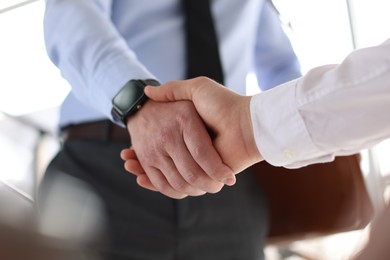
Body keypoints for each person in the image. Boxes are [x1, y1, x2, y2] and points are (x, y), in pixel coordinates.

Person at [39, 0, 301, 259]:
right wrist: (138, 101)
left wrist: (301, 130)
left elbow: (280, 66)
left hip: (225, 183)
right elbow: (71, 15)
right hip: (101, 170)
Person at [122, 38, 390, 259]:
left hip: (231, 170)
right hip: (117, 157)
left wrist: (255, 128)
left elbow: (280, 64)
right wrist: (136, 101)